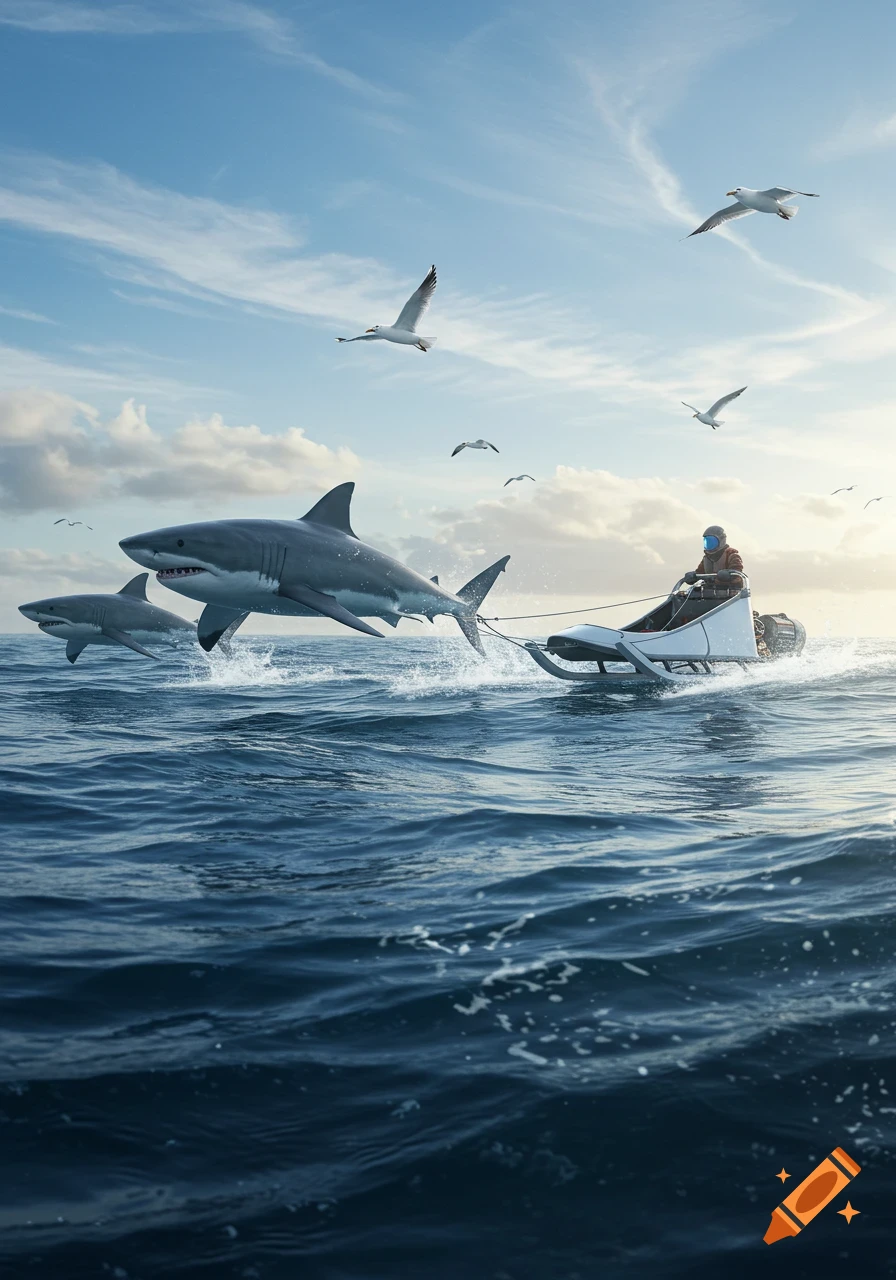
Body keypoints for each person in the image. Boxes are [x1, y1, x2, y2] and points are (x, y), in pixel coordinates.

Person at [684, 525, 744, 591]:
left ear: (721, 541)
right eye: (707, 542)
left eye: (712, 541)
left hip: (731, 594)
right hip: (711, 595)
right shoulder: (706, 558)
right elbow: (700, 573)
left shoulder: (731, 555)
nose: (709, 544)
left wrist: (728, 575)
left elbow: (738, 575)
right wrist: (693, 576)